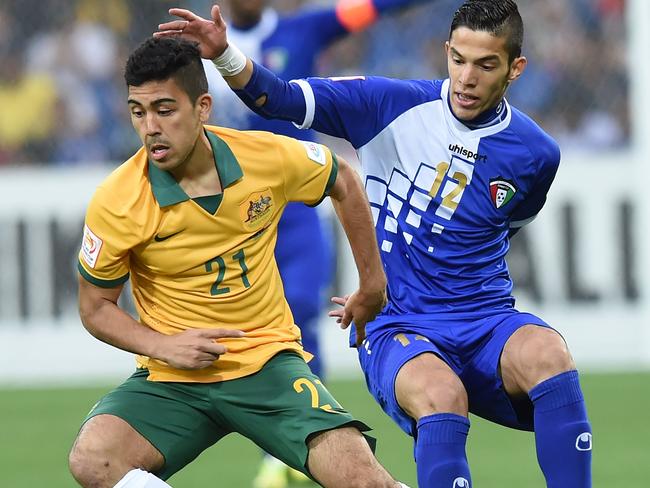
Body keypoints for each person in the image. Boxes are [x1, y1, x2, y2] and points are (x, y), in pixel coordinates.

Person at [155, 1, 594, 486]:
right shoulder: (388, 104)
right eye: (459, 60)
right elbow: (276, 97)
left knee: (549, 354)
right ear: (446, 52)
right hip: (399, 323)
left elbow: (505, 227)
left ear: (516, 69)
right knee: (440, 393)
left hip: (485, 318)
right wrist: (224, 55)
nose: (467, 77)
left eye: (486, 65)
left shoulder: (536, 154)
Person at [67, 35, 409, 488]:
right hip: (174, 377)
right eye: (138, 112)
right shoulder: (117, 201)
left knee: (364, 480)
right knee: (93, 459)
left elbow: (341, 178)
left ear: (202, 107)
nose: (150, 127)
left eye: (165, 110)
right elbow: (95, 308)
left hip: (267, 363)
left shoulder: (262, 157)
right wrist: (162, 346)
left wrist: (372, 283)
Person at [199, 1, 432, 485]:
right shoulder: (193, 44)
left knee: (301, 305)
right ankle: (282, 438)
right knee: (239, 326)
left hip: (295, 206)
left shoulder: (303, 30)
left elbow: (366, 9)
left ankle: (300, 442)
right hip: (229, 216)